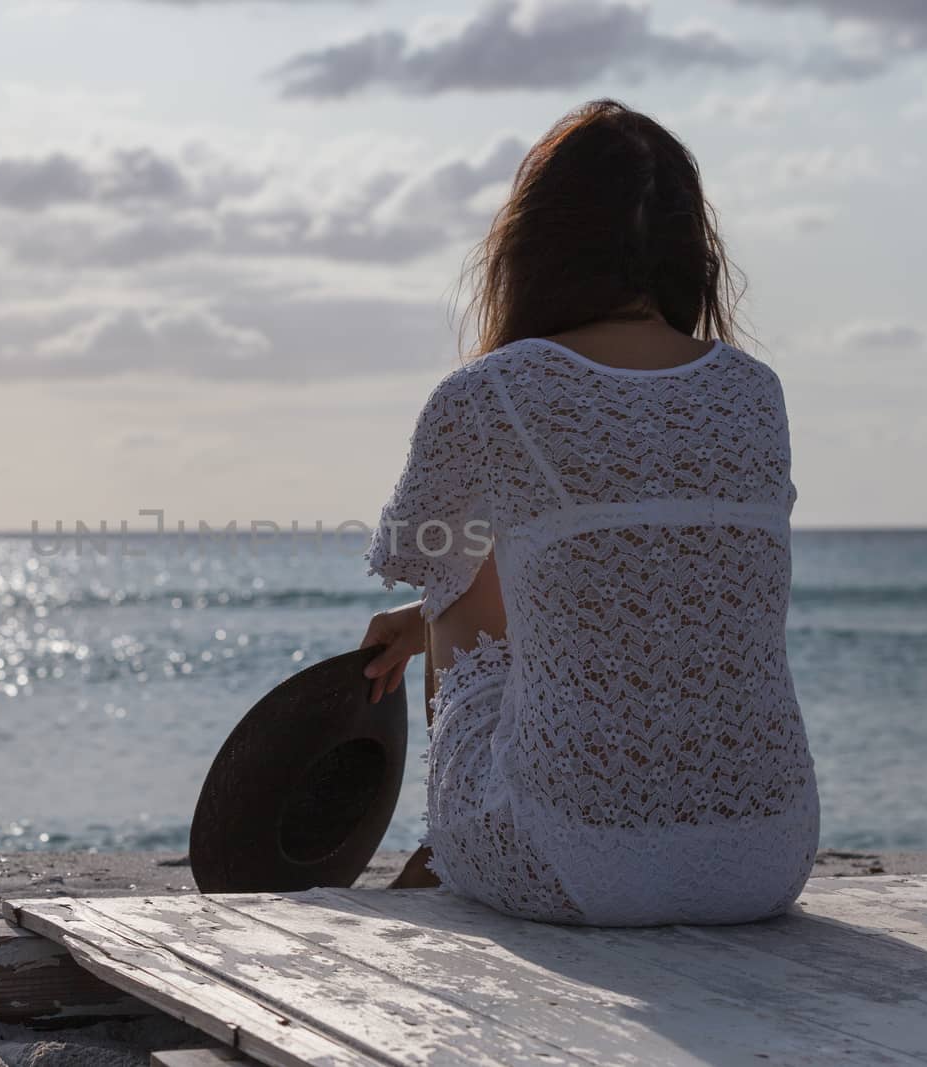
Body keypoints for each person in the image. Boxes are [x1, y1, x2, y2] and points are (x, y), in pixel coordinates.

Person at [359, 99, 820, 926]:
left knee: (453, 580)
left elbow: (436, 565)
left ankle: (447, 848)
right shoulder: (756, 391)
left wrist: (430, 611)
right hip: (768, 857)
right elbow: (649, 561)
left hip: (568, 862)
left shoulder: (492, 391)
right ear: (690, 252)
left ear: (533, 245)